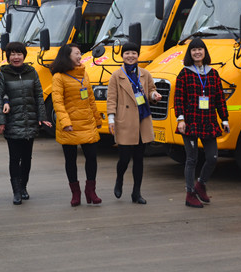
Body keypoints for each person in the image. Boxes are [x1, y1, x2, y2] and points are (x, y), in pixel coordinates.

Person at [174, 38, 229, 208]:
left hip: (208, 121)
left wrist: (224, 119)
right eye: (194, 50)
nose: (197, 52)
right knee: (192, 159)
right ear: (189, 53)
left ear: (205, 52)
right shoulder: (184, 73)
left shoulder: (213, 73)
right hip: (190, 122)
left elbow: (220, 98)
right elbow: (178, 99)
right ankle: (189, 193)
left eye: (200, 49)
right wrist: (180, 119)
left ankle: (201, 184)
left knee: (212, 158)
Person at [0, 42, 51, 205]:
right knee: (15, 158)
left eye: (19, 54)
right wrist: (1, 121)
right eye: (12, 54)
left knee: (27, 158)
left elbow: (39, 96)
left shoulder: (32, 72)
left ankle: (23, 187)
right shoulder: (3, 74)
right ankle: (16, 191)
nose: (16, 57)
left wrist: (42, 116)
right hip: (12, 122)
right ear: (8, 57)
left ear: (24, 56)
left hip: (30, 122)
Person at [107, 42, 161, 204]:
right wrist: (111, 119)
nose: (130, 56)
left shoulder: (145, 74)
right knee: (124, 158)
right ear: (122, 56)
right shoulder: (116, 76)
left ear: (138, 55)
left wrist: (154, 95)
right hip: (124, 121)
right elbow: (111, 99)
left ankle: (136, 193)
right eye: (127, 53)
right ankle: (119, 179)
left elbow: (151, 90)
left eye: (134, 53)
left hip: (142, 120)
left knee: (139, 159)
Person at [51, 43, 102, 206]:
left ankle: (91, 190)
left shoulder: (84, 73)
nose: (80, 56)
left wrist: (97, 120)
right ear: (67, 56)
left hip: (87, 123)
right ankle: (76, 193)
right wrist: (65, 122)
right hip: (70, 125)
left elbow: (90, 99)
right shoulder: (58, 77)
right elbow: (58, 102)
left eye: (80, 53)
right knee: (70, 160)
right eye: (77, 54)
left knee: (92, 157)